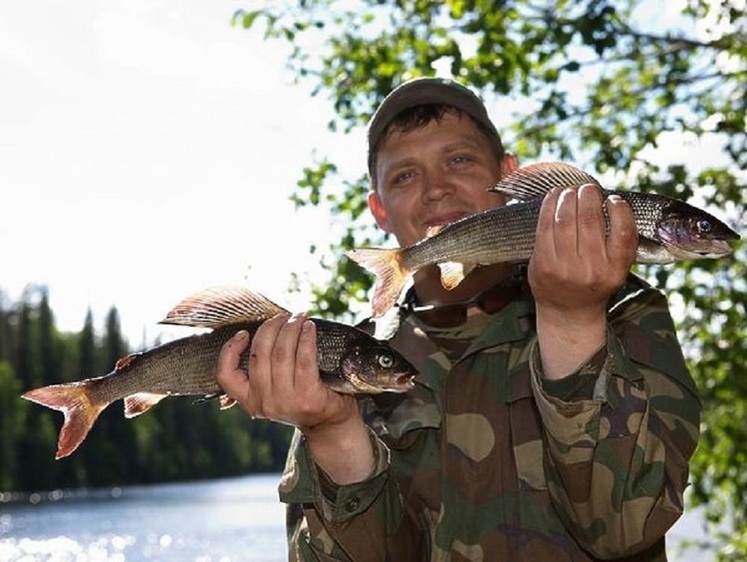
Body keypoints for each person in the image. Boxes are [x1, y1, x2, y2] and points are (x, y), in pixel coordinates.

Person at [216, 77, 701, 561]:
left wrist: (573, 321)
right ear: (379, 209)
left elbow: (624, 531)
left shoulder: (622, 310)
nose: (436, 189)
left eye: (459, 160)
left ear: (510, 176)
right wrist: (333, 433)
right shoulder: (344, 363)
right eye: (405, 175)